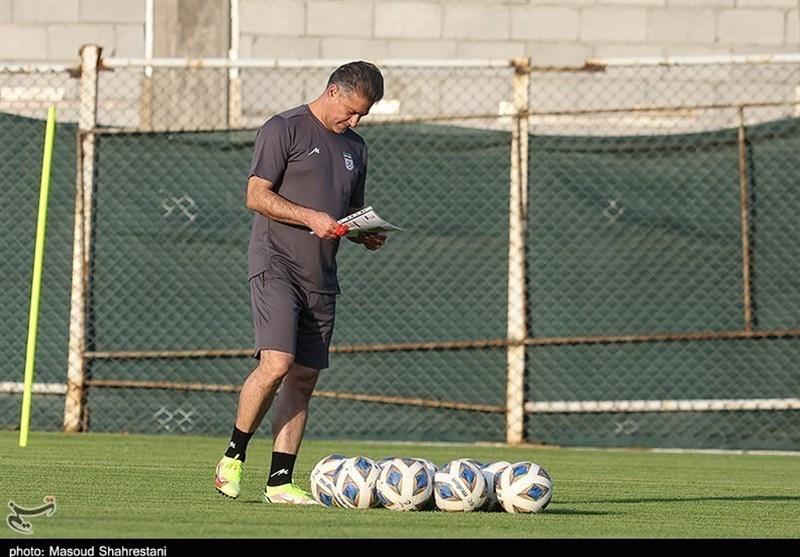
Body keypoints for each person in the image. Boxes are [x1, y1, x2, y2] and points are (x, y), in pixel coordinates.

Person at [214, 61, 387, 504]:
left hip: (321, 276)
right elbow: (256, 195)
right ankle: (233, 456)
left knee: (304, 377)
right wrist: (310, 216)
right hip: (276, 264)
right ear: (332, 92)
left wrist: (365, 233)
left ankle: (279, 482)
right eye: (350, 111)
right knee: (277, 364)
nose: (354, 121)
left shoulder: (356, 147)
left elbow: (348, 213)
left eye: (363, 115)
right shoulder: (284, 128)